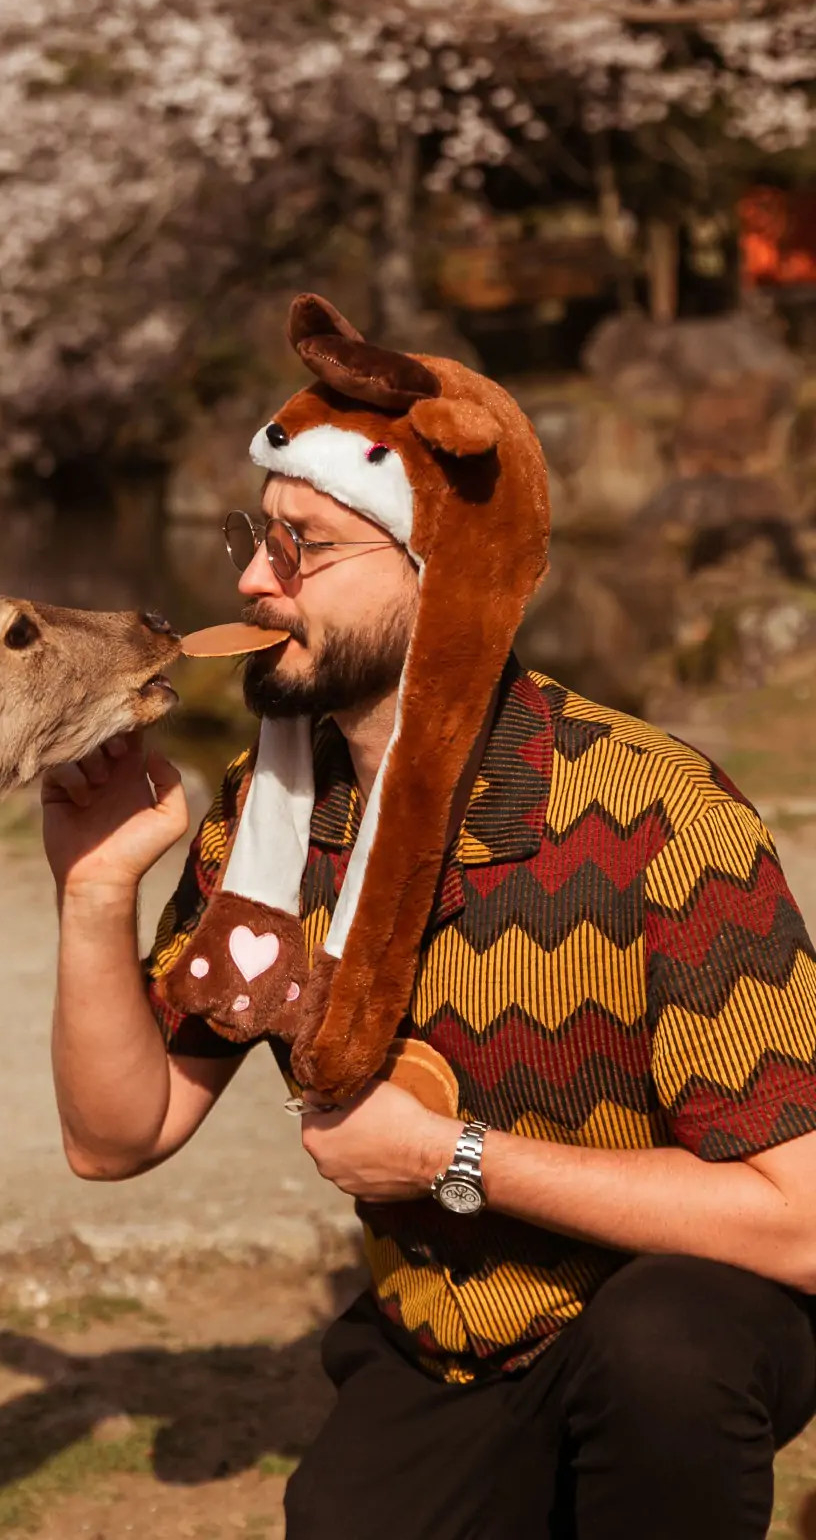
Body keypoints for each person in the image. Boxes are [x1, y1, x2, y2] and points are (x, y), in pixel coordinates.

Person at [42, 294, 816, 1540]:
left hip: (687, 1319)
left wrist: (455, 1161)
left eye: (303, 548)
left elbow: (805, 1220)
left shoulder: (657, 818)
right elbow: (117, 1137)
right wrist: (95, 889)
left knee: (672, 1347)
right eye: (259, 537)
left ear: (442, 575)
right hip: (444, 1341)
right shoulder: (276, 816)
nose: (253, 580)